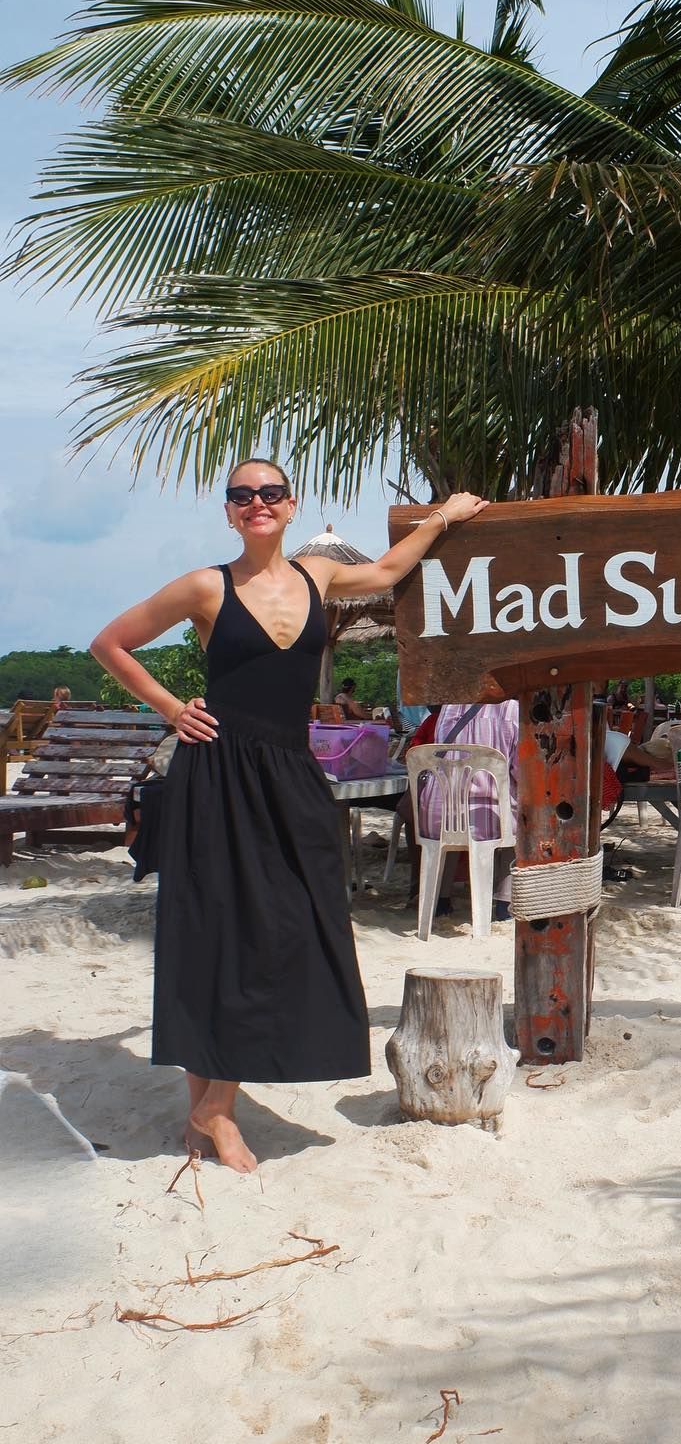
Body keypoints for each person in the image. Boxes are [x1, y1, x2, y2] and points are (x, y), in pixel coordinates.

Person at [90, 458, 487, 1174]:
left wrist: (443, 516)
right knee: (213, 930)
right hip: (217, 772)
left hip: (290, 771)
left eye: (269, 492)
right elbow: (110, 644)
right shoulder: (206, 586)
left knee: (301, 919)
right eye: (242, 495)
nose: (257, 503)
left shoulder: (319, 574)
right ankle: (211, 1111)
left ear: (291, 504)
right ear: (229, 511)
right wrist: (173, 709)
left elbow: (390, 569)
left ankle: (212, 1107)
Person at [417, 698, 521, 922]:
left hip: (437, 815)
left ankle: (442, 900)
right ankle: (505, 906)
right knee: (520, 821)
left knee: (454, 822)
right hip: (486, 820)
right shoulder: (512, 709)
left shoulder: (449, 707)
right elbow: (520, 771)